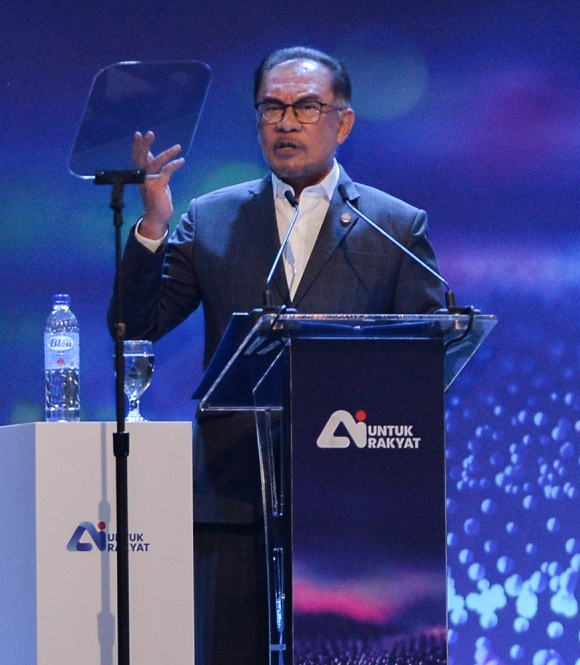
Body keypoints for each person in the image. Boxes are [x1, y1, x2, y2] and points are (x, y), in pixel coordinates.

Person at [113, 46, 445, 665]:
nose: (286, 122)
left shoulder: (395, 227)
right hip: (233, 488)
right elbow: (136, 324)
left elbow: (427, 360)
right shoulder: (211, 219)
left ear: (341, 122)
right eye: (272, 107)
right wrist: (154, 224)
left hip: (357, 505)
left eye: (305, 107)